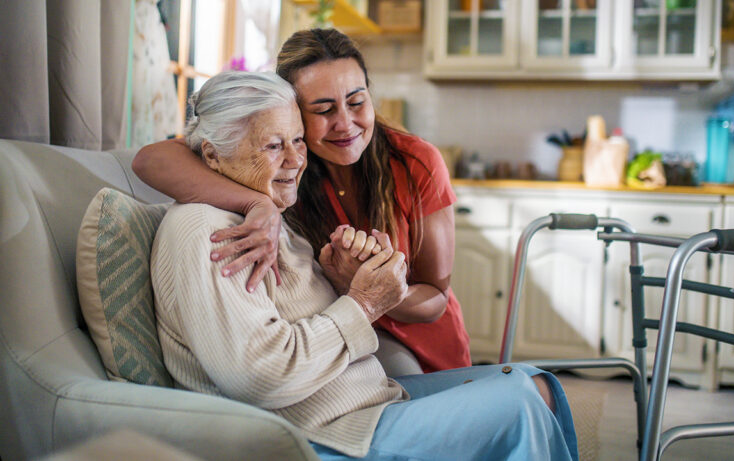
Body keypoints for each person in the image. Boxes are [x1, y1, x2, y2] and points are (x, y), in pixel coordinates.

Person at [151, 71, 578, 460]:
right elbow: (260, 375)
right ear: (213, 155)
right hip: (329, 433)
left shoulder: (262, 214)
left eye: (298, 140)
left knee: (537, 383)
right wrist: (363, 303)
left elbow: (303, 314)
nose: (296, 160)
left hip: (367, 402)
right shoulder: (209, 233)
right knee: (519, 402)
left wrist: (344, 279)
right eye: (273, 145)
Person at [134, 28, 470, 374]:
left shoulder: (414, 162)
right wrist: (258, 205)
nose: (345, 124)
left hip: (426, 347)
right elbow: (150, 160)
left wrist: (374, 289)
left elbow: (436, 298)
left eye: (357, 102)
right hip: (343, 343)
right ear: (293, 112)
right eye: (323, 109)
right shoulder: (287, 170)